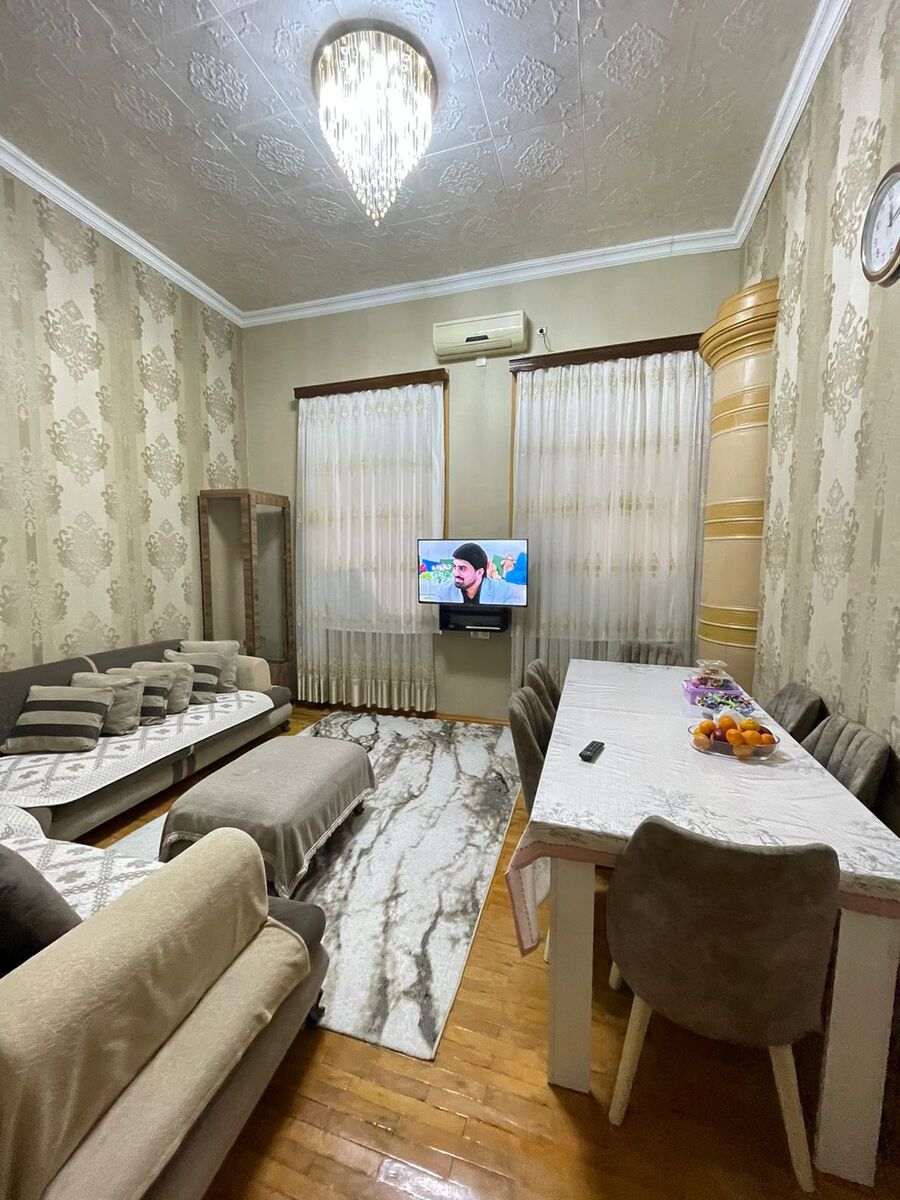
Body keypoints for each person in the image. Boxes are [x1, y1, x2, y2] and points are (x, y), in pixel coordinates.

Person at [430, 543, 526, 605]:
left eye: (462, 568)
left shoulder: (504, 592)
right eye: (454, 567)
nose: (456, 573)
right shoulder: (443, 591)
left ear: (480, 572)